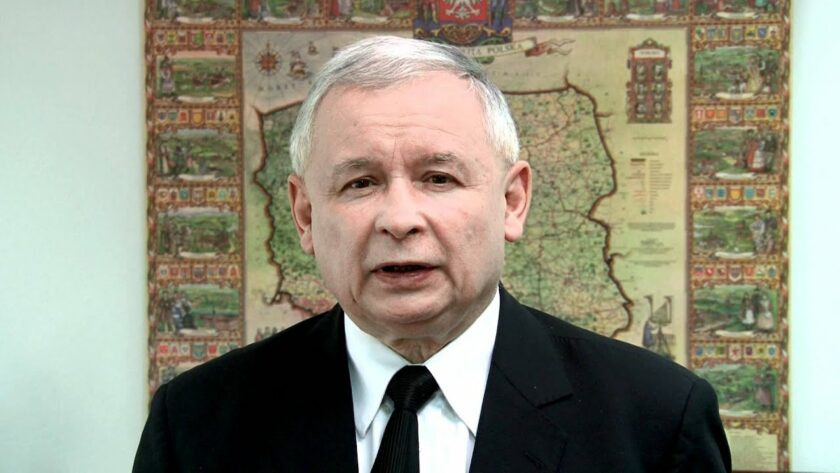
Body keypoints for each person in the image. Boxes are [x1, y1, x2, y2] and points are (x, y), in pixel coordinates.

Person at [134, 36, 731, 472]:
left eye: (439, 178)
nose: (400, 218)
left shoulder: (656, 420)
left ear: (512, 201)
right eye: (360, 183)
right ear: (306, 215)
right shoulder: (195, 424)